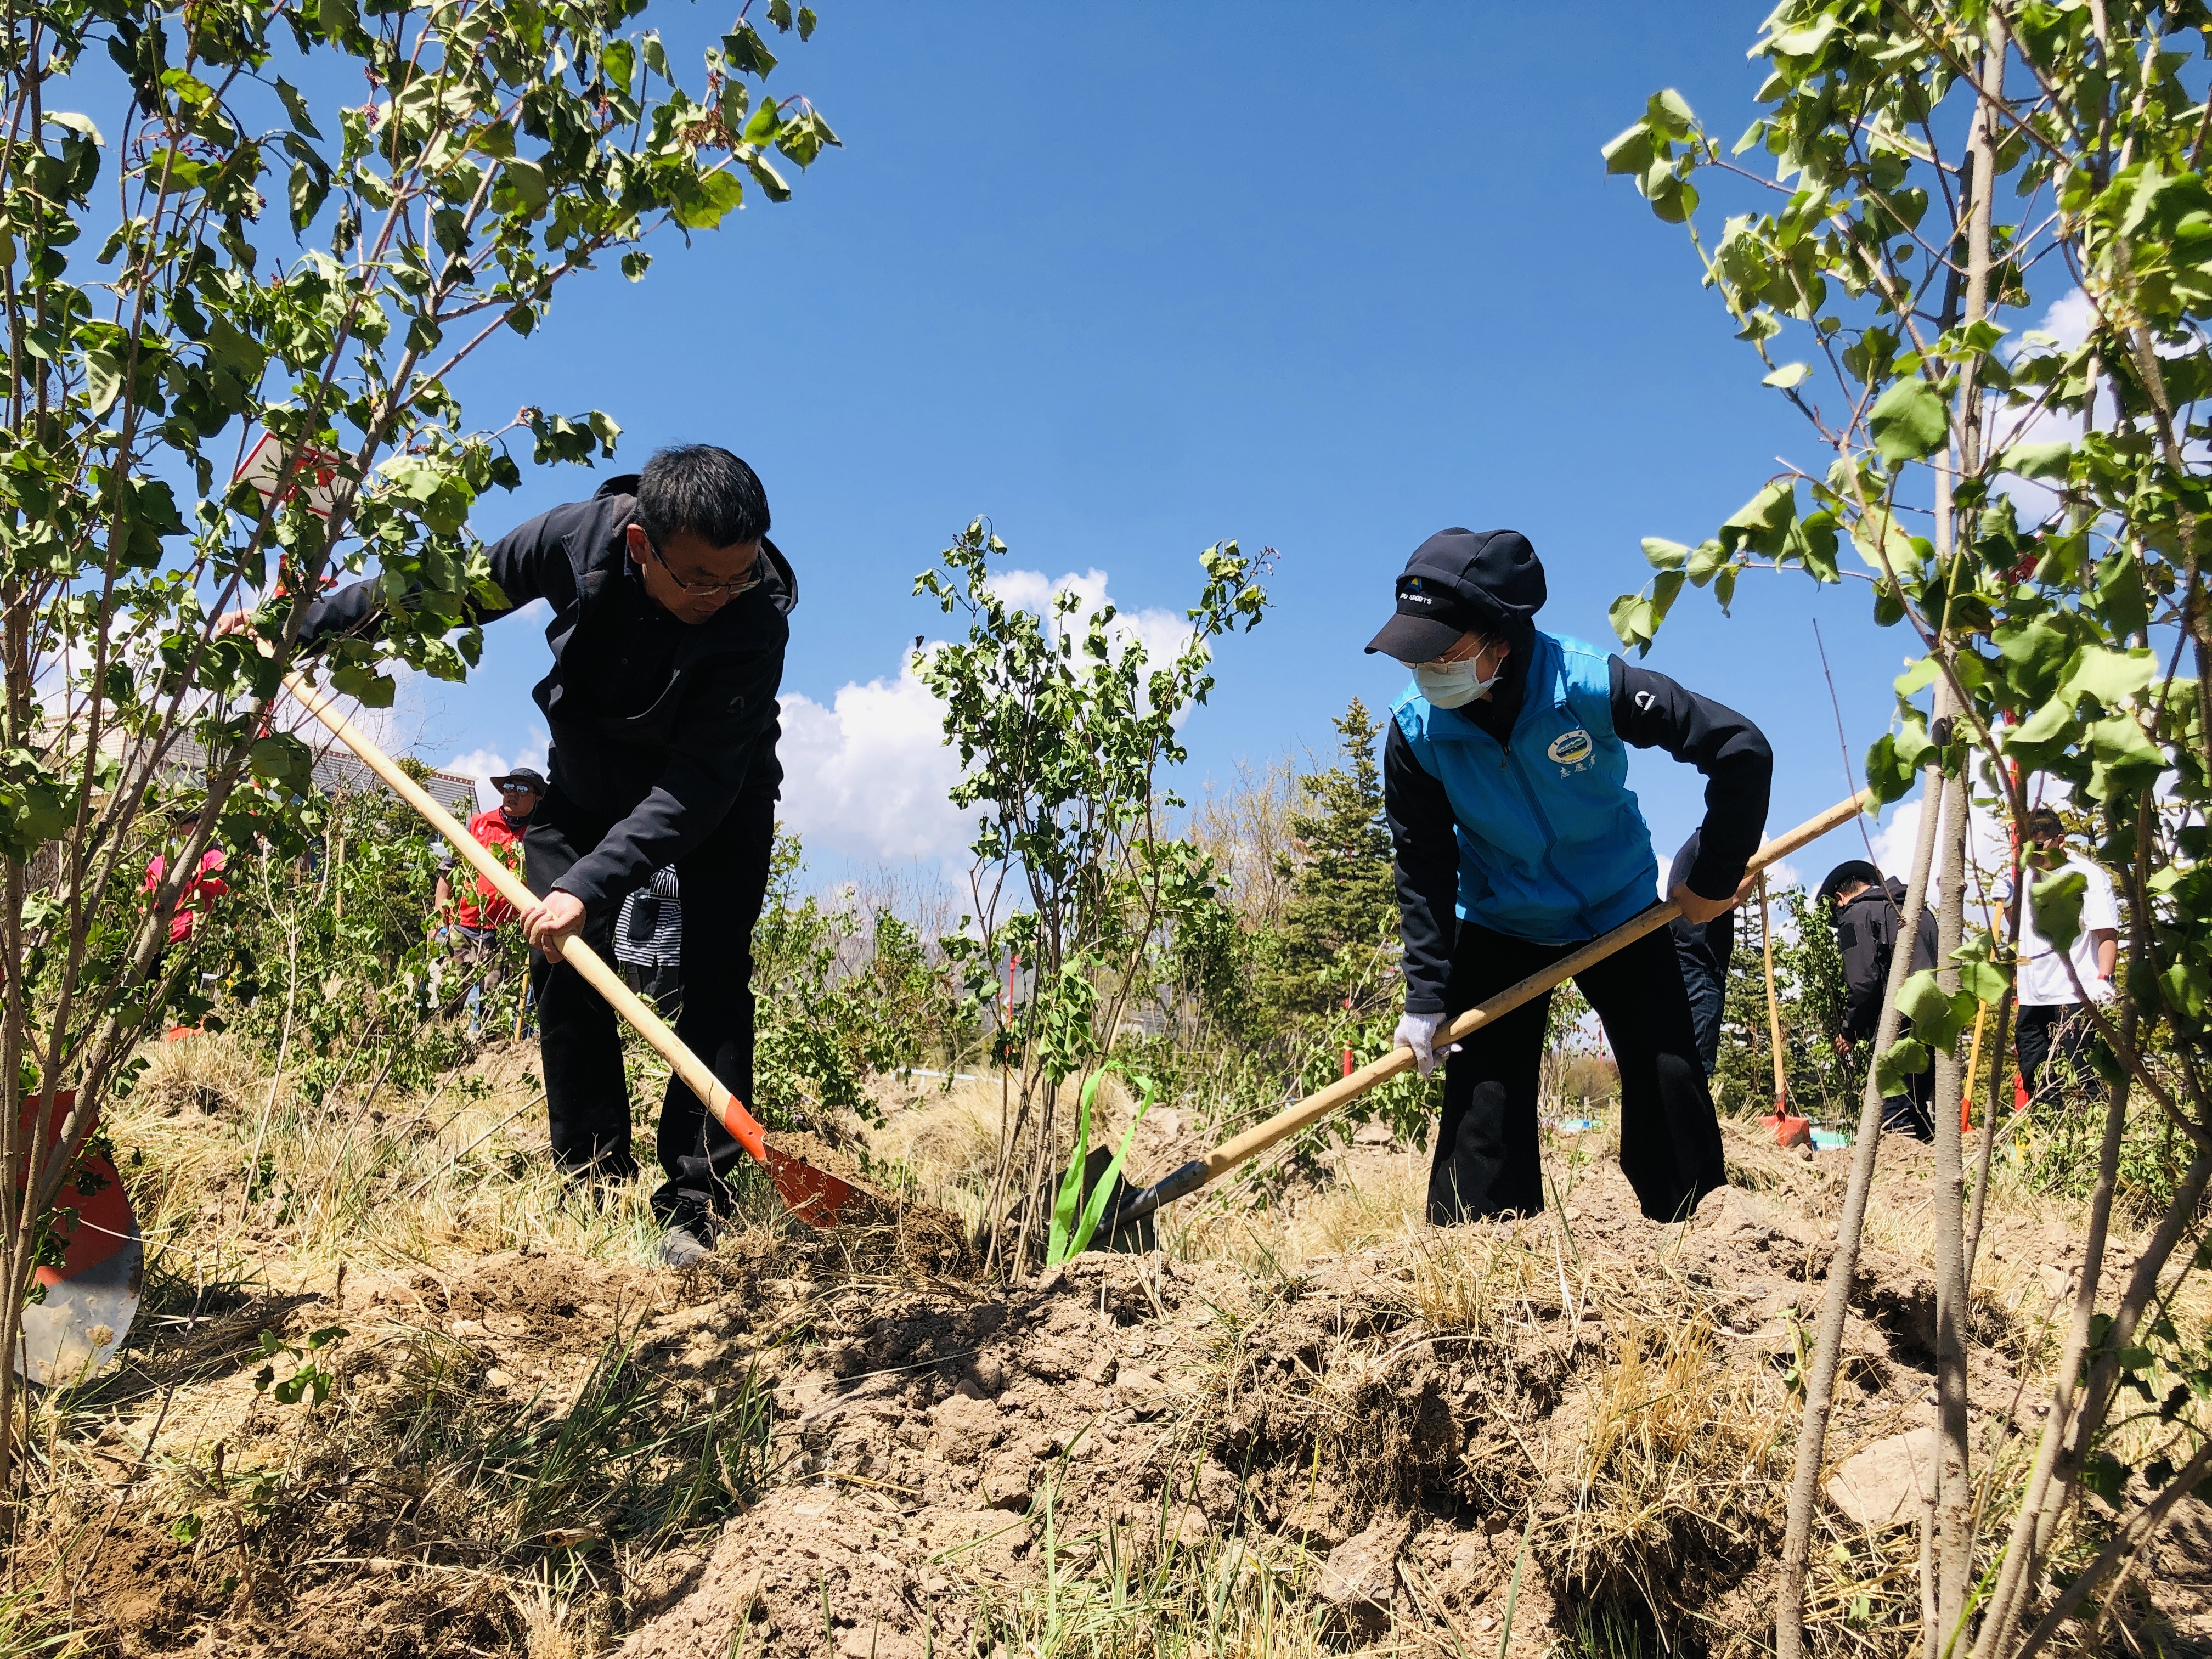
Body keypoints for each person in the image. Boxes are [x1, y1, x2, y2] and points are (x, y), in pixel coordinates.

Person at [228, 445, 791, 1267]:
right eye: (704, 580)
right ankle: (592, 1178)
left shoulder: (756, 611)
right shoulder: (574, 541)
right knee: (558, 950)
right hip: (590, 778)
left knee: (715, 976)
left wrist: (591, 884)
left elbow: (695, 789)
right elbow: (442, 591)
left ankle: (696, 1203)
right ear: (642, 546)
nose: (724, 595)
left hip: (717, 793)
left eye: (738, 577)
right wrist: (297, 631)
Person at [1374, 527, 1772, 1225]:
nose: (1427, 670)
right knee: (1482, 1105)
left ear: (1500, 638)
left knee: (1669, 1077)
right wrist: (1428, 995)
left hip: (1618, 908)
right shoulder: (1417, 733)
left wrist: (1713, 878)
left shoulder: (1589, 686)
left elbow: (1741, 749)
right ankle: (1483, 1248)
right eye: (1417, 656)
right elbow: (1424, 863)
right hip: (1500, 918)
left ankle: (1698, 1231)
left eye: (1443, 652)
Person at [1818, 859, 1938, 1141]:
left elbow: (1863, 983)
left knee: (1893, 1111)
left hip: (1900, 1020)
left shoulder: (1855, 914)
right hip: (1936, 1019)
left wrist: (1849, 1031)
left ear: (1840, 898)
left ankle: (1903, 1170)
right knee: (1916, 1107)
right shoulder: (1918, 910)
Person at [2009, 806, 2118, 1108]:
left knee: (2084, 1070)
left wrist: (2104, 979)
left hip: (2076, 992)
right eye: (2027, 847)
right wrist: (2008, 901)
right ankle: (2048, 1127)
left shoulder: (2086, 875)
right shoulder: (2026, 875)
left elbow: (2106, 931)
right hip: (2033, 995)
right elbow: (2023, 929)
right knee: (2035, 1074)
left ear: (2060, 840)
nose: (2034, 854)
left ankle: (2098, 1124)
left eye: (2039, 846)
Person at [431, 768, 543, 1014]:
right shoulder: (478, 825)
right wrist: (439, 921)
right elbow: (447, 873)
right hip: (462, 929)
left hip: (506, 936)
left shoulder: (537, 836)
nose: (512, 793)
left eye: (522, 789)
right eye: (509, 788)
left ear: (537, 798)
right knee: (445, 1005)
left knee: (497, 1011)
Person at [1668, 828, 1734, 1078]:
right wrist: (1757, 866)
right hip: (1700, 969)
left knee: (1681, 1062)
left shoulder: (1690, 848)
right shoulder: (1713, 845)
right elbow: (1733, 897)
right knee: (1696, 1069)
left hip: (1682, 963)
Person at [143, 808, 229, 983]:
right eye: (173, 823)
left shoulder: (209, 857)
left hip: (188, 941)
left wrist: (198, 878)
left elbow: (224, 884)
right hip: (158, 941)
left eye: (183, 822)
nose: (177, 829)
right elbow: (146, 894)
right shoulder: (161, 861)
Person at [615, 866, 684, 1018]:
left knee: (665, 1012)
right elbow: (637, 872)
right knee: (637, 1012)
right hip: (638, 946)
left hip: (669, 950)